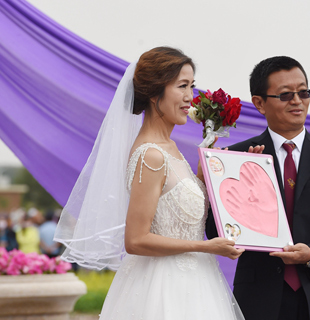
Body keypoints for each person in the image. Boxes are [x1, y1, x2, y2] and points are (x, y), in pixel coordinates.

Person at [54, 47, 246, 319]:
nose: (190, 97)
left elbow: (175, 210)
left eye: (192, 86)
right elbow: (135, 240)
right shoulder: (151, 155)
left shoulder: (170, 147)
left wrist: (209, 175)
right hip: (162, 287)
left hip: (195, 282)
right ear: (155, 92)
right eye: (182, 86)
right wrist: (205, 246)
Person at [206, 56, 310, 320]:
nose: (297, 101)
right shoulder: (236, 157)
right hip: (258, 297)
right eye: (285, 95)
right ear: (259, 103)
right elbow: (216, 231)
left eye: (303, 92)